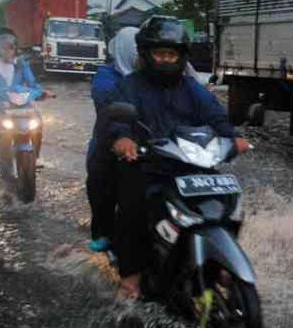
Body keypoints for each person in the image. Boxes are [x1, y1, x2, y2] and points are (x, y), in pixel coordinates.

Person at [101, 16, 247, 299]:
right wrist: (123, 139)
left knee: (225, 197)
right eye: (160, 53)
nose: (167, 60)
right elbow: (116, 119)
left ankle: (222, 258)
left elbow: (215, 114)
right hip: (146, 165)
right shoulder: (129, 86)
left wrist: (232, 136)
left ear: (181, 57)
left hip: (188, 164)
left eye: (172, 54)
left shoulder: (191, 88)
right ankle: (131, 275)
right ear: (146, 54)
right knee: (132, 204)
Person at [86, 27, 140, 253]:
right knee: (102, 186)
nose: (140, 57)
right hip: (109, 142)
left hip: (146, 141)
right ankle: (103, 233)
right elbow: (109, 107)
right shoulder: (106, 77)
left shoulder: (150, 77)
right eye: (136, 51)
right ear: (125, 51)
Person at [0, 27, 49, 173]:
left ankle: (35, 155)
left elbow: (32, 83)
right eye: (6, 47)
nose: (10, 50)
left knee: (38, 122)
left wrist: (42, 91)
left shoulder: (21, 64)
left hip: (20, 107)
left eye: (12, 47)